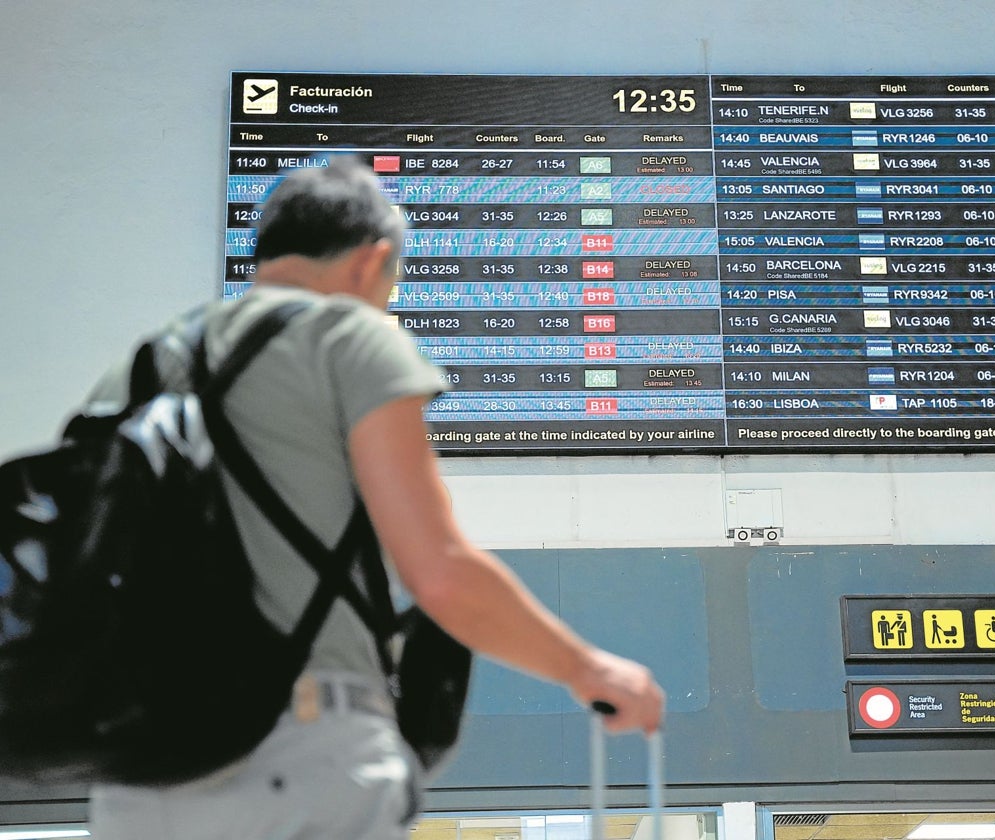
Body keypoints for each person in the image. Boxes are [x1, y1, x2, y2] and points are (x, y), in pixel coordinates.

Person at [87, 157, 665, 839]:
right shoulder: (348, 337)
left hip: (139, 770)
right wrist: (589, 669)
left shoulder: (143, 364)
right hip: (301, 756)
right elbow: (440, 573)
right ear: (372, 262)